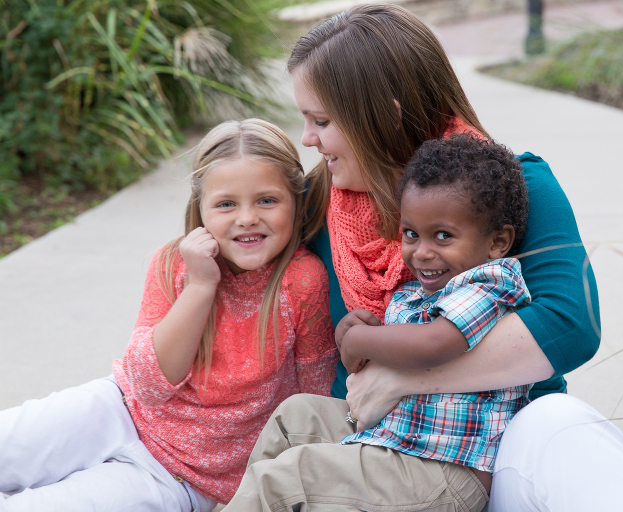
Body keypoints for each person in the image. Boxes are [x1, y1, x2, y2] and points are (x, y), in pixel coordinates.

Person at [280, 4, 623, 511]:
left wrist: (403, 378)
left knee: (564, 426)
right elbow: (237, 243)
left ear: (385, 116)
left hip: (491, 448)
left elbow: (571, 322)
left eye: (322, 120)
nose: (308, 138)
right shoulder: (321, 200)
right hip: (364, 455)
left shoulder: (512, 188)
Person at [0, 119, 339, 512]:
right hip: (117, 409)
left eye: (267, 200)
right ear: (201, 208)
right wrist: (199, 286)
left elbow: (312, 398)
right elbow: (146, 386)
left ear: (296, 203)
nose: (247, 217)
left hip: (180, 477)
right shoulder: (175, 263)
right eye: (226, 203)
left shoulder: (302, 281)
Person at [222, 133, 532, 512]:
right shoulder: (420, 294)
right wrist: (352, 335)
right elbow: (371, 363)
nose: (422, 252)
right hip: (397, 440)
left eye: (443, 236)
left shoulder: (490, 283)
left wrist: (362, 342)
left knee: (288, 477)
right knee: (296, 415)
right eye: (412, 234)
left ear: (497, 242)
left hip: (442, 472)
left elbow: (433, 345)